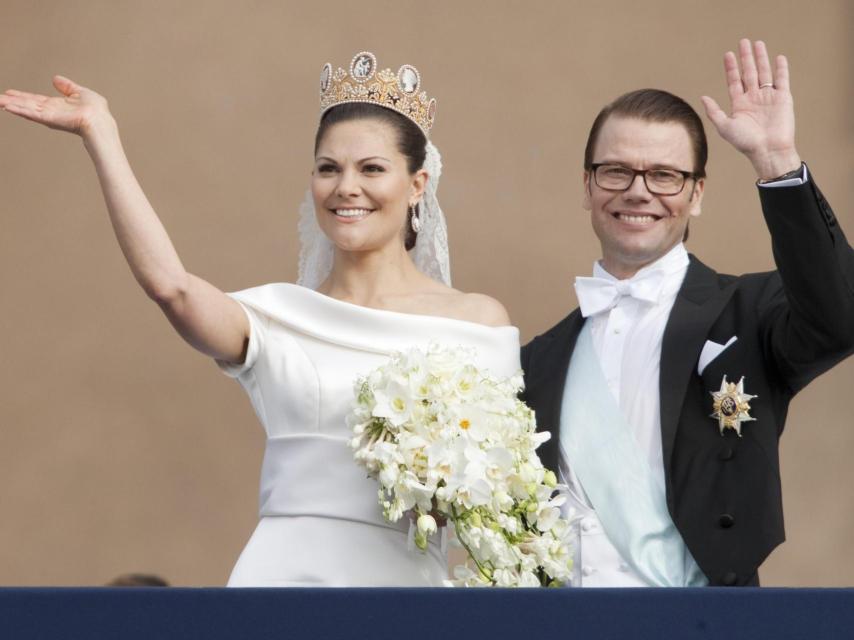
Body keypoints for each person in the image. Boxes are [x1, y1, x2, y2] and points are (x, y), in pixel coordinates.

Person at [0, 51, 518, 586]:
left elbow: (506, 498)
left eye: (372, 169)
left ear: (416, 185)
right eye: (328, 168)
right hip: (279, 583)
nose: (346, 187)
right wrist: (100, 134)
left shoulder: (477, 323)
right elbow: (171, 287)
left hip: (405, 593)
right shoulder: (275, 317)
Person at [521, 39, 854, 587]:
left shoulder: (747, 314)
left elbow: (839, 317)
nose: (638, 192)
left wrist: (776, 164)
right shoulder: (540, 360)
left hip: (706, 621)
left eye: (665, 175)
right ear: (587, 185)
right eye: (615, 172)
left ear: (697, 193)